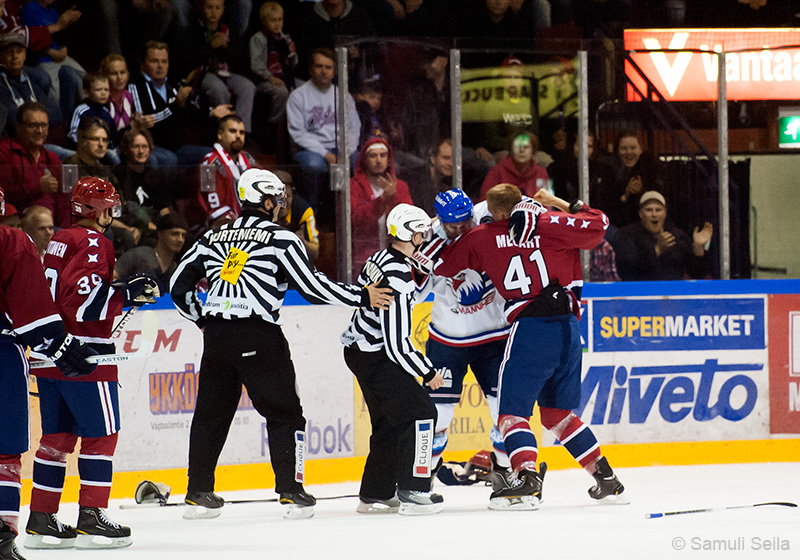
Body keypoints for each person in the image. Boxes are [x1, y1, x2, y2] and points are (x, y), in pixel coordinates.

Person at [170, 168, 393, 521]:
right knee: (285, 413)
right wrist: (362, 296)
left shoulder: (214, 236)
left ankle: (198, 492)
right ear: (269, 201)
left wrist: (203, 318)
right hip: (258, 334)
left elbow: (178, 284)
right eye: (279, 199)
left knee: (211, 415)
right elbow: (312, 287)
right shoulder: (281, 238)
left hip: (217, 336)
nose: (282, 206)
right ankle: (291, 491)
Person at [429, 184, 628, 510]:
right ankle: (605, 477)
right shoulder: (549, 223)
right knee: (557, 415)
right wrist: (554, 203)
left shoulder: (480, 236)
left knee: (511, 414)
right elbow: (598, 224)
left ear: (490, 211)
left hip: (531, 329)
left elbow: (443, 266)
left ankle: (526, 482)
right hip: (569, 327)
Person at [25, 177, 159, 550]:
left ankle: (41, 517)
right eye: (110, 207)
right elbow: (81, 302)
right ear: (97, 210)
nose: (112, 214)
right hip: (85, 355)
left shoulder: (58, 240)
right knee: (102, 437)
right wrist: (127, 292)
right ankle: (91, 517)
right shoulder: (93, 242)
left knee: (56, 440)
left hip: (49, 352)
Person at [0, 186, 97, 560]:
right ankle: (2, 538)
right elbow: (31, 312)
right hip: (2, 356)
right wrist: (62, 347)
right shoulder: (11, 241)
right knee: (5, 451)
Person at [341, 203, 445, 516]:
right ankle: (415, 490)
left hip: (359, 350)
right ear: (408, 234)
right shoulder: (398, 277)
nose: (424, 236)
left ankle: (377, 492)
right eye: (420, 232)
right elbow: (398, 343)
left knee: (388, 421)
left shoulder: (381, 256)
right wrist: (427, 372)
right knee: (422, 412)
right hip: (375, 355)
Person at [413, 189, 512, 479]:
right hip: (448, 340)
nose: (460, 230)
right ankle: (422, 480)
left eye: (464, 223)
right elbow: (418, 295)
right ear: (440, 220)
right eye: (452, 226)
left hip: (494, 335)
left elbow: (526, 203)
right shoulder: (427, 237)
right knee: (439, 415)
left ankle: (506, 475)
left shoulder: (486, 213)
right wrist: (423, 259)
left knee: (503, 411)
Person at [128, 41, 232, 167]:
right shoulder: (135, 87)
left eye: (164, 61)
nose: (160, 66)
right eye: (154, 61)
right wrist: (176, 105)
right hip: (151, 147)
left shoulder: (173, 87)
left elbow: (188, 114)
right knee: (170, 160)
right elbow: (148, 122)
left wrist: (212, 113)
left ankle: (207, 187)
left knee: (214, 156)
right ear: (142, 64)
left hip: (176, 148)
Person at [286, 48, 359, 213]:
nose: (324, 71)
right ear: (311, 69)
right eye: (319, 66)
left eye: (328, 67)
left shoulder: (344, 96)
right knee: (315, 166)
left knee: (359, 161)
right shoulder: (298, 96)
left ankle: (351, 215)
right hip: (310, 150)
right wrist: (325, 153)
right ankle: (313, 218)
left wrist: (345, 152)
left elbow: (354, 129)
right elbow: (298, 133)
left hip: (341, 148)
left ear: (334, 71)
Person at [172, 0, 255, 135]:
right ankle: (222, 132)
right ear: (202, 8)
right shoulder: (193, 29)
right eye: (209, 7)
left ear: (223, 9)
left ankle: (243, 133)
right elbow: (189, 59)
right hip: (202, 73)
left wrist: (227, 47)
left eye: (217, 8)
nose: (213, 12)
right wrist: (210, 46)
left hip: (225, 72)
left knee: (248, 87)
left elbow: (242, 58)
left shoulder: (228, 29)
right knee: (219, 89)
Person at [613, 190, 713, 281]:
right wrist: (657, 249)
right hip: (639, 294)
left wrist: (698, 248)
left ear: (665, 213)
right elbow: (625, 271)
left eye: (658, 210)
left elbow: (698, 274)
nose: (654, 214)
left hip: (673, 295)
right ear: (640, 213)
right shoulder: (626, 235)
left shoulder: (678, 236)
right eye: (648, 210)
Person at [350, 137, 412, 279]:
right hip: (363, 259)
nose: (378, 160)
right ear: (364, 159)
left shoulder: (400, 186)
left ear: (389, 159)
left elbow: (409, 221)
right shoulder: (353, 186)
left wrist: (393, 197)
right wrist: (383, 200)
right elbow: (356, 221)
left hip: (398, 258)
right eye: (373, 155)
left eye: (382, 155)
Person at [0, 102, 68, 227]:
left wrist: (67, 233)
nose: (40, 131)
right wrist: (37, 187)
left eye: (44, 125)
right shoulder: (4, 152)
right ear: (19, 127)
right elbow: (4, 195)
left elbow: (63, 201)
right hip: (20, 225)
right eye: (33, 125)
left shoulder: (52, 158)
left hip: (52, 227)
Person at [19, 0, 84, 121]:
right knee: (56, 93)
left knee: (82, 77)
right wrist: (51, 52)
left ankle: (86, 113)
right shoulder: (29, 10)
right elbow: (30, 42)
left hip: (59, 55)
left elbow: (59, 36)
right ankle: (63, 122)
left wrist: (64, 48)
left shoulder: (52, 10)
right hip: (41, 59)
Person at [197, 114, 257, 227]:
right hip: (219, 228)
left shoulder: (248, 159)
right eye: (233, 131)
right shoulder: (207, 163)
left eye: (241, 132)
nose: (238, 136)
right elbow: (210, 204)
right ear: (220, 134)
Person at [598, 130, 664, 228]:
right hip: (618, 225)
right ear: (618, 151)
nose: (629, 152)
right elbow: (604, 209)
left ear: (640, 150)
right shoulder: (609, 172)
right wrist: (626, 195)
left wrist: (643, 190)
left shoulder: (651, 170)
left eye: (633, 148)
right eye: (624, 148)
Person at [0, 31, 61, 136]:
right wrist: (41, 118)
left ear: (25, 55)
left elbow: (56, 114)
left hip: (41, 140)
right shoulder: (1, 85)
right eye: (9, 52)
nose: (15, 56)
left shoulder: (31, 80)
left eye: (19, 51)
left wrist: (30, 122)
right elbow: (13, 123)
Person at [249, 1, 297, 125]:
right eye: (273, 20)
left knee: (304, 88)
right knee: (281, 91)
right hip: (264, 80)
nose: (277, 24)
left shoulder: (284, 38)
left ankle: (297, 123)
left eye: (280, 20)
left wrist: (292, 54)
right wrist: (270, 77)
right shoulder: (258, 38)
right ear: (264, 21)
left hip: (284, 76)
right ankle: (275, 124)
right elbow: (256, 64)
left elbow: (293, 64)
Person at [115, 212, 188, 293]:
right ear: (160, 234)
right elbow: (113, 277)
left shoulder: (174, 268)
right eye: (174, 234)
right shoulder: (139, 254)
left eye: (183, 235)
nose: (180, 240)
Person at [479, 132, 549, 201]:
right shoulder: (496, 172)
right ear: (511, 150)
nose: (521, 150)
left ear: (533, 151)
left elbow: (546, 203)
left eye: (526, 147)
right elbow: (485, 202)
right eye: (517, 146)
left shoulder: (541, 173)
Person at [274, 170, 319, 262]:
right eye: (278, 198)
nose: (283, 203)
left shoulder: (303, 210)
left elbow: (315, 253)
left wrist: (301, 241)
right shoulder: (261, 211)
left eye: (288, 196)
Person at [405, 138, 452, 216]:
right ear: (433, 158)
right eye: (446, 158)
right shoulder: (414, 181)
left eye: (455, 159)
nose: (451, 163)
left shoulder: (449, 182)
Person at [68, 73, 116, 148]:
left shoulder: (106, 111)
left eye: (106, 90)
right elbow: (73, 134)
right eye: (98, 89)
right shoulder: (82, 110)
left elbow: (112, 134)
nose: (103, 93)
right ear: (86, 92)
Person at [100, 55, 135, 143]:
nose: (119, 78)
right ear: (105, 76)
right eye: (114, 74)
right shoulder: (101, 100)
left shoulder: (129, 96)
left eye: (122, 72)